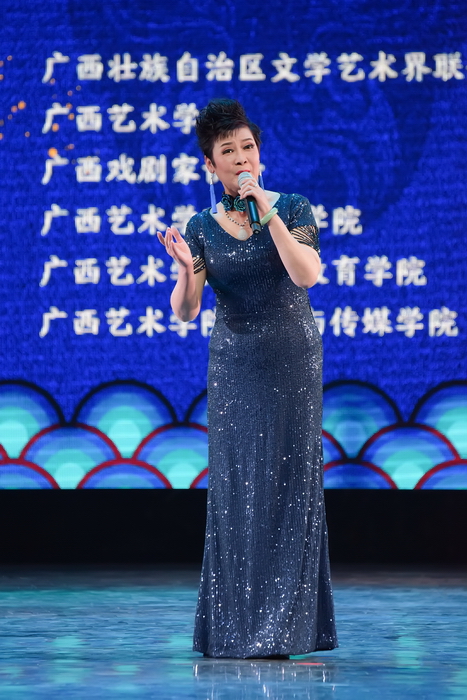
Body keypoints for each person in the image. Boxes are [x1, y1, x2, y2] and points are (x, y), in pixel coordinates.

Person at [158, 98, 337, 659]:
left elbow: (307, 274)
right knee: (238, 488)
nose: (241, 158)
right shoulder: (199, 227)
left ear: (259, 153)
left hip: (292, 358)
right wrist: (185, 270)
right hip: (234, 365)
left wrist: (268, 211)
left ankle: (287, 630)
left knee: (290, 484)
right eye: (228, 151)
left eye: (248, 147)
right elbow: (186, 310)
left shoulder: (293, 206)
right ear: (210, 165)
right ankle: (235, 628)